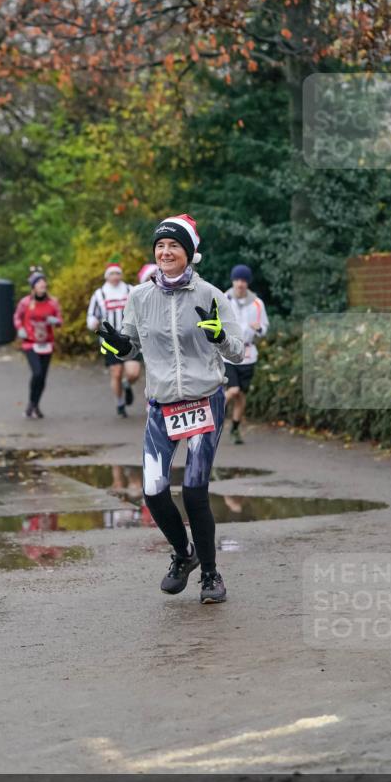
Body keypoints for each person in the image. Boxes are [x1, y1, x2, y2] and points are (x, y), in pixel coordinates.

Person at [95, 214, 244, 603]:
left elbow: (238, 350)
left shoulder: (211, 295)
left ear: (190, 253)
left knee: (195, 490)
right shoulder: (139, 297)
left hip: (203, 400)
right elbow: (130, 345)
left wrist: (220, 335)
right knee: (153, 491)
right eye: (160, 246)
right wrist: (117, 345)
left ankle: (211, 575)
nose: (165, 252)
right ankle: (184, 555)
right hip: (162, 405)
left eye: (173, 246)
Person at [87, 263, 142, 417]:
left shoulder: (131, 290)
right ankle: (120, 404)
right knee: (116, 373)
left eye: (118, 273)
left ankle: (127, 384)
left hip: (131, 337)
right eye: (112, 274)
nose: (115, 277)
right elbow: (91, 315)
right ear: (107, 276)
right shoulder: (99, 294)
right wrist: (93, 323)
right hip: (110, 341)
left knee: (134, 372)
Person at [223, 265, 269, 444]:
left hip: (248, 354)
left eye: (243, 280)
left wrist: (260, 329)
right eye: (237, 280)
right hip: (227, 353)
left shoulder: (257, 303)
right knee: (232, 390)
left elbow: (264, 327)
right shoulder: (223, 299)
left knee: (241, 395)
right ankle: (213, 412)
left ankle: (234, 428)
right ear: (232, 281)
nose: (240, 284)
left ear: (247, 283)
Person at [13, 267, 63, 418]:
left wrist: (56, 321)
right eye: (39, 282)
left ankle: (34, 405)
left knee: (43, 377)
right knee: (37, 373)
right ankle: (31, 404)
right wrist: (19, 328)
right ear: (33, 286)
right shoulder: (25, 302)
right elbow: (17, 317)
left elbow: (60, 320)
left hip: (47, 343)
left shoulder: (52, 303)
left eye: (44, 281)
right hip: (30, 343)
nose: (43, 284)